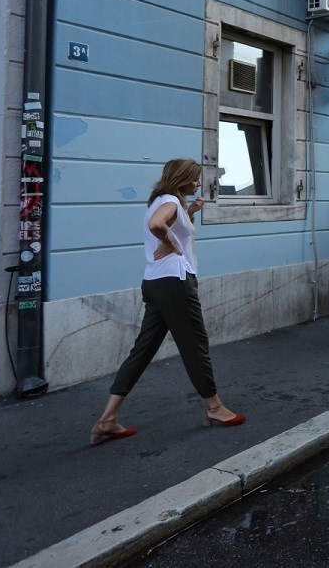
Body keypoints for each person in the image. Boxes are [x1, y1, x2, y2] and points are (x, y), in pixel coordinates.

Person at [90, 159, 245, 446]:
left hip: (155, 283)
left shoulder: (164, 201)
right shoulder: (170, 201)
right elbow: (157, 225)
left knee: (144, 349)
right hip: (175, 283)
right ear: (180, 180)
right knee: (195, 345)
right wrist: (171, 244)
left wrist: (190, 212)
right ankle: (214, 408)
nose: (198, 183)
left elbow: (167, 223)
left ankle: (108, 420)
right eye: (195, 179)